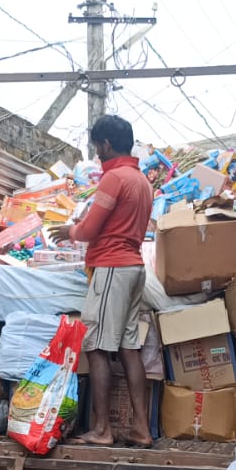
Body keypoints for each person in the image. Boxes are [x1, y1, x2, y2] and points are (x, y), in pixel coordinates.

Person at [50, 115, 153, 447]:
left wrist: (70, 231)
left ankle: (102, 429)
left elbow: (91, 229)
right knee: (129, 348)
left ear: (106, 144)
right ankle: (141, 429)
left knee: (95, 347)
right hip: (134, 267)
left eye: (97, 147)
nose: (97, 154)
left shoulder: (114, 179)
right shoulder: (142, 181)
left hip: (112, 267)